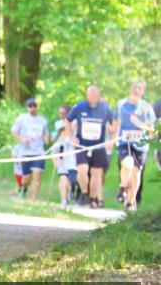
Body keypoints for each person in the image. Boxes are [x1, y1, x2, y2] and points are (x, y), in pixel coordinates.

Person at [67, 85, 114, 208]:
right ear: (87, 95)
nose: (93, 97)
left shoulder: (105, 108)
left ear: (99, 95)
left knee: (96, 173)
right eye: (91, 94)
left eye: (95, 94)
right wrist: (71, 136)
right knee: (82, 169)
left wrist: (112, 140)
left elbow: (114, 124)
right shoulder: (79, 107)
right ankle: (84, 193)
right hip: (82, 145)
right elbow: (68, 120)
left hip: (98, 146)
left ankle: (93, 198)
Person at [113, 80, 156, 212]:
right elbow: (115, 123)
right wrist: (114, 135)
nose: (136, 90)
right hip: (124, 142)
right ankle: (123, 188)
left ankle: (131, 202)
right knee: (127, 164)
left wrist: (144, 128)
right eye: (134, 87)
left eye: (139, 88)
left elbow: (152, 129)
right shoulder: (121, 104)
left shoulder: (147, 108)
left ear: (143, 91)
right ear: (130, 88)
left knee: (136, 173)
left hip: (141, 145)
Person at [10, 97, 50, 201]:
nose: (32, 108)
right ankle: (23, 189)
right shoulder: (22, 118)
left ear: (37, 107)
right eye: (30, 106)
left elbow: (46, 135)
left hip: (39, 152)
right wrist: (22, 139)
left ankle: (34, 199)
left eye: (34, 106)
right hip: (25, 152)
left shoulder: (42, 120)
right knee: (26, 179)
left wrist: (47, 139)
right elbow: (13, 132)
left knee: (37, 175)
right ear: (27, 107)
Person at [51, 110, 78, 206]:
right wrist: (56, 164)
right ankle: (64, 199)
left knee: (71, 181)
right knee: (63, 180)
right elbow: (54, 154)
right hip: (62, 164)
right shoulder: (59, 143)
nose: (65, 134)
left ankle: (71, 193)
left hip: (73, 164)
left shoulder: (74, 140)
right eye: (63, 133)